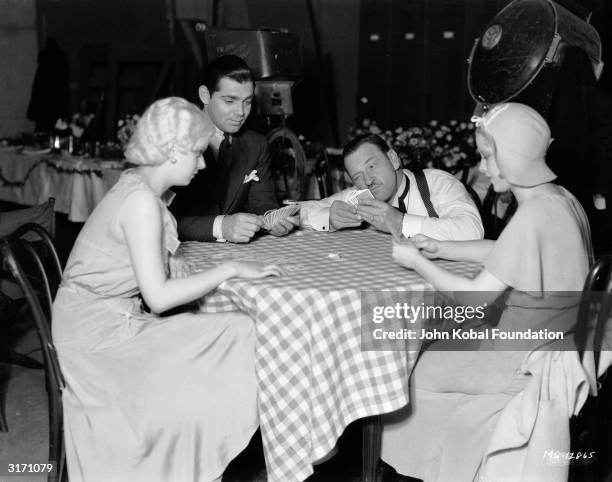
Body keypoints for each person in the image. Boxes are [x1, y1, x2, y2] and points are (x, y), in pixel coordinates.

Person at [52, 97, 282, 482]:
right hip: (94, 335)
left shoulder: (137, 185)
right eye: (196, 153)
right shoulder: (141, 201)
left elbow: (130, 261)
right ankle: (190, 458)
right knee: (235, 333)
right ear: (174, 151)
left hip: (103, 317)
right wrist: (231, 267)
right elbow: (158, 299)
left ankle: (190, 456)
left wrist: (165, 262)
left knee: (231, 331)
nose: (202, 164)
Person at [381, 103, 592, 481]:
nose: (482, 167)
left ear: (514, 157)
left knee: (406, 373)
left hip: (522, 356)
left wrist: (417, 263)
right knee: (442, 344)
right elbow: (505, 247)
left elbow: (475, 297)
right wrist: (441, 248)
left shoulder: (533, 214)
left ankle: (445, 467)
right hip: (552, 341)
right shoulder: (559, 199)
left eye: (489, 156)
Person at [170, 55, 298, 243]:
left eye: (247, 101)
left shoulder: (255, 144)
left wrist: (273, 219)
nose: (240, 112)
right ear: (205, 95)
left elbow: (261, 202)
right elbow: (159, 218)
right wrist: (221, 226)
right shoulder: (173, 139)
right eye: (229, 101)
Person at [299, 134, 484, 241]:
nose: (367, 181)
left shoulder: (438, 184)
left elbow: (473, 231)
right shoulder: (359, 196)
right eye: (357, 176)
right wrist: (328, 217)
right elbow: (298, 211)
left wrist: (401, 222)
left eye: (371, 166)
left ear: (394, 159)